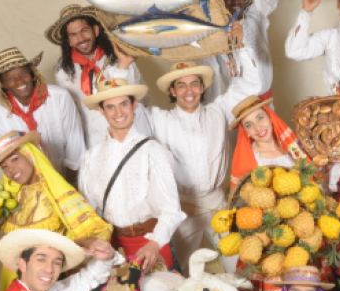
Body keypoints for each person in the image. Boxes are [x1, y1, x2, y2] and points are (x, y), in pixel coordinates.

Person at [147, 22, 261, 273]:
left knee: (241, 265)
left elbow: (251, 86)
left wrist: (241, 46)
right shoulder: (158, 119)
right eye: (181, 85)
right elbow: (126, 109)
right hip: (180, 209)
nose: (189, 91)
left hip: (217, 203)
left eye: (194, 84)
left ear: (202, 87)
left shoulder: (219, 110)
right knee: (177, 272)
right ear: (172, 91)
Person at [78, 79, 186, 272]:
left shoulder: (154, 151)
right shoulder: (91, 157)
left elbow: (171, 209)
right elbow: (86, 209)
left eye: (124, 104)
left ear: (134, 104)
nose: (118, 113)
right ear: (101, 111)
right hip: (110, 246)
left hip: (150, 241)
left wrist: (155, 244)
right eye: (110, 107)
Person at [0, 130, 113, 291]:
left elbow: (90, 229)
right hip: (14, 275)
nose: (11, 169)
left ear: (30, 154)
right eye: (4, 167)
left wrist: (90, 242)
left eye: (15, 159)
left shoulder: (56, 191)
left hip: (47, 276)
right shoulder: (9, 198)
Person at [46, 4, 153, 148]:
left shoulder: (119, 56)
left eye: (84, 30)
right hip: (96, 139)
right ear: (69, 41)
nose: (81, 38)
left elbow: (141, 95)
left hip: (133, 130)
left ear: (95, 30)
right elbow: (75, 113)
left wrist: (123, 65)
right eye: (73, 35)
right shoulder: (64, 72)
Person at [0, 47, 85, 181]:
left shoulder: (59, 97)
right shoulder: (0, 114)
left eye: (23, 74)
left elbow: (74, 140)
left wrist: (70, 182)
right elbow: (11, 157)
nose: (20, 81)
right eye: (11, 78)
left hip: (71, 174)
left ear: (32, 74)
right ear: (3, 84)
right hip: (33, 180)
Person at [229, 94, 310, 188]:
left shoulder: (291, 145)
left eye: (260, 118)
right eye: (249, 125)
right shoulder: (249, 160)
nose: (258, 127)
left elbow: (312, 175)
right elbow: (243, 197)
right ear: (246, 132)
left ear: (270, 117)